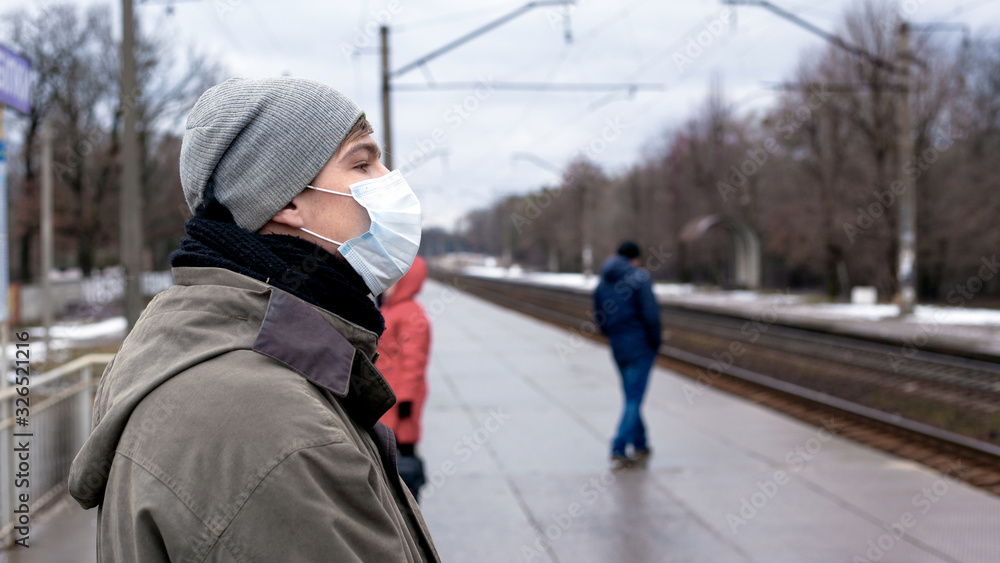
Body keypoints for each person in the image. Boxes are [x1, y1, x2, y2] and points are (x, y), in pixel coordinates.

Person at [68, 77, 439, 562]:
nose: (390, 180)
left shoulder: (227, 357)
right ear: (284, 200)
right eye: (362, 162)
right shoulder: (271, 424)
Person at [593, 241, 662, 469]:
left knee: (631, 396)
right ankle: (619, 446)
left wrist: (612, 334)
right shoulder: (640, 278)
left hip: (618, 346)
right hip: (640, 347)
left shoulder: (604, 279)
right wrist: (655, 341)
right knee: (634, 398)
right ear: (635, 258)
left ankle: (640, 442)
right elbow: (651, 314)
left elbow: (599, 316)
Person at [376, 255, 431, 502]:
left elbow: (414, 362)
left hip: (401, 397)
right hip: (391, 392)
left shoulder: (410, 314)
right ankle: (400, 496)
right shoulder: (392, 307)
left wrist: (407, 399)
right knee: (391, 448)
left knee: (403, 447)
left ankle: (408, 498)